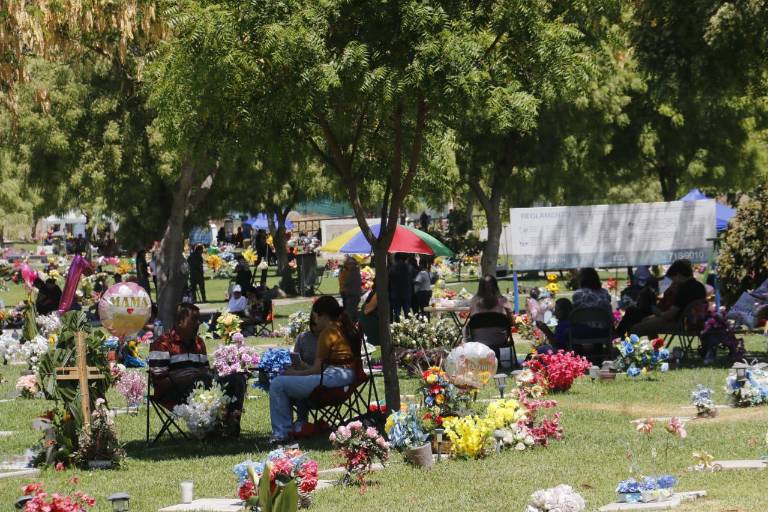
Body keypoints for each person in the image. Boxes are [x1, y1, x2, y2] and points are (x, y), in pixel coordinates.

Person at [268, 295, 361, 442]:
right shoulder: (344, 327)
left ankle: (282, 433)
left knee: (277, 384)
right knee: (283, 383)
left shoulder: (327, 333)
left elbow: (316, 370)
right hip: (347, 376)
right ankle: (296, 425)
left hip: (333, 378)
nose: (315, 320)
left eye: (316, 316)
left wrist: (294, 373)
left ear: (323, 316)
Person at [148, 303, 246, 437]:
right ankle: (212, 428)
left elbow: (205, 371)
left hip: (202, 388)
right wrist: (188, 379)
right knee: (202, 377)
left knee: (237, 378)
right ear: (180, 321)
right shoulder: (162, 343)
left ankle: (231, 423)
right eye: (194, 319)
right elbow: (159, 381)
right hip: (172, 394)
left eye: (198, 319)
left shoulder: (199, 343)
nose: (198, 323)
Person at [633, 260, 707, 337]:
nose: (672, 282)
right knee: (646, 321)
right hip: (695, 324)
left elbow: (669, 315)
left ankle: (628, 348)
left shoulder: (683, 290)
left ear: (678, 275)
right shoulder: (700, 286)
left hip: (679, 324)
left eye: (673, 278)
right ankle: (657, 346)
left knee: (635, 329)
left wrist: (656, 311)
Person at [389, 253, 413, 321]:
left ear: (396, 259)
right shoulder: (409, 267)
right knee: (407, 312)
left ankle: (397, 327)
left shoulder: (393, 268)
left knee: (397, 312)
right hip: (406, 293)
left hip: (396, 293)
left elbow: (389, 277)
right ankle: (408, 327)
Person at [338, 257, 362, 322]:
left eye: (352, 263)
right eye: (349, 263)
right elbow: (342, 281)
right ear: (346, 264)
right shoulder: (344, 271)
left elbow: (350, 281)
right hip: (346, 293)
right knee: (348, 310)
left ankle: (351, 323)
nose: (350, 265)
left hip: (353, 293)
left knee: (351, 311)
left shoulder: (355, 271)